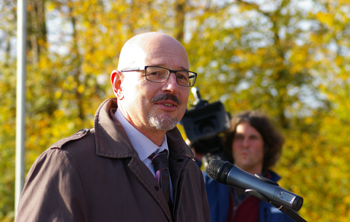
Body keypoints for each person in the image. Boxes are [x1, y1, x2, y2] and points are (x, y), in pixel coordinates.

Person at [16, 32, 210, 222]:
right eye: (156, 73)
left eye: (182, 77)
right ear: (119, 85)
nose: (172, 87)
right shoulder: (68, 163)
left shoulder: (190, 171)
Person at [203, 111, 295, 222]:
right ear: (230, 143)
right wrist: (192, 155)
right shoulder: (206, 184)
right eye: (239, 137)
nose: (245, 144)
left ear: (266, 145)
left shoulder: (281, 199)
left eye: (253, 138)